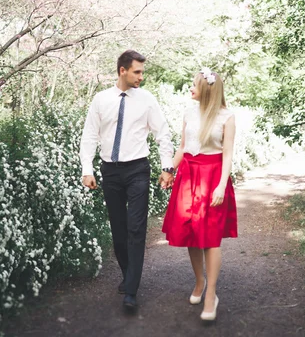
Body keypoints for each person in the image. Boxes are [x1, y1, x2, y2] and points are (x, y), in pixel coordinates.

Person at [80, 50, 175, 310]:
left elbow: (162, 134)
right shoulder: (101, 100)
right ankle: (127, 275)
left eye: (142, 72)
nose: (141, 77)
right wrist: (86, 169)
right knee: (118, 230)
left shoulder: (146, 100)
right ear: (122, 70)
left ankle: (131, 290)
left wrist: (167, 167)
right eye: (137, 72)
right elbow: (89, 136)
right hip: (110, 171)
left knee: (136, 228)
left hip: (137, 170)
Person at [161, 68, 238, 322]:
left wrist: (220, 185)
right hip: (188, 175)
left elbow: (227, 155)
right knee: (192, 234)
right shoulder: (188, 113)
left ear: (206, 89)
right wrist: (169, 170)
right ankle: (199, 281)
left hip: (213, 176)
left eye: (194, 85)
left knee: (212, 238)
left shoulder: (226, 117)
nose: (190, 89)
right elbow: (183, 146)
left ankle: (211, 294)